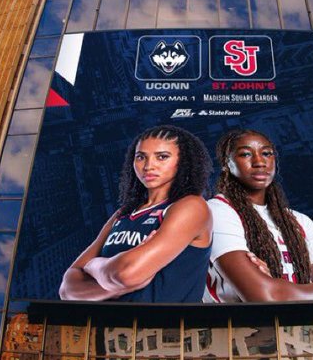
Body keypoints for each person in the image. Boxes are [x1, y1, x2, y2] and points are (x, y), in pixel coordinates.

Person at [59, 125, 212, 304]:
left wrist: (94, 265)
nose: (148, 166)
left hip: (162, 328)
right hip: (108, 328)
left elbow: (127, 274)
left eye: (162, 157)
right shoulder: (121, 214)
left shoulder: (191, 206)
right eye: (141, 157)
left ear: (184, 162)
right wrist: (115, 287)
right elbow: (67, 289)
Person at [204, 128, 313, 303]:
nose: (259, 162)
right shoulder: (217, 211)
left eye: (266, 153)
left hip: (299, 326)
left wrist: (275, 285)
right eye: (245, 154)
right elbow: (264, 296)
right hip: (240, 328)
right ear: (226, 164)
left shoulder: (299, 221)